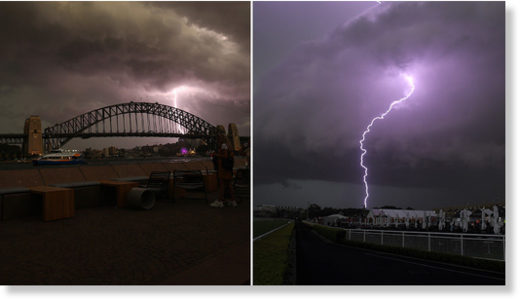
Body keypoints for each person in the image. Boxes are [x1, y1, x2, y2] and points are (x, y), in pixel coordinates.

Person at [210, 142, 236, 208]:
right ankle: (232, 201)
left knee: (222, 185)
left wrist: (215, 154)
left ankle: (220, 201)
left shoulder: (223, 145)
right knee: (229, 185)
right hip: (228, 169)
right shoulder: (228, 145)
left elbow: (225, 155)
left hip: (223, 169)